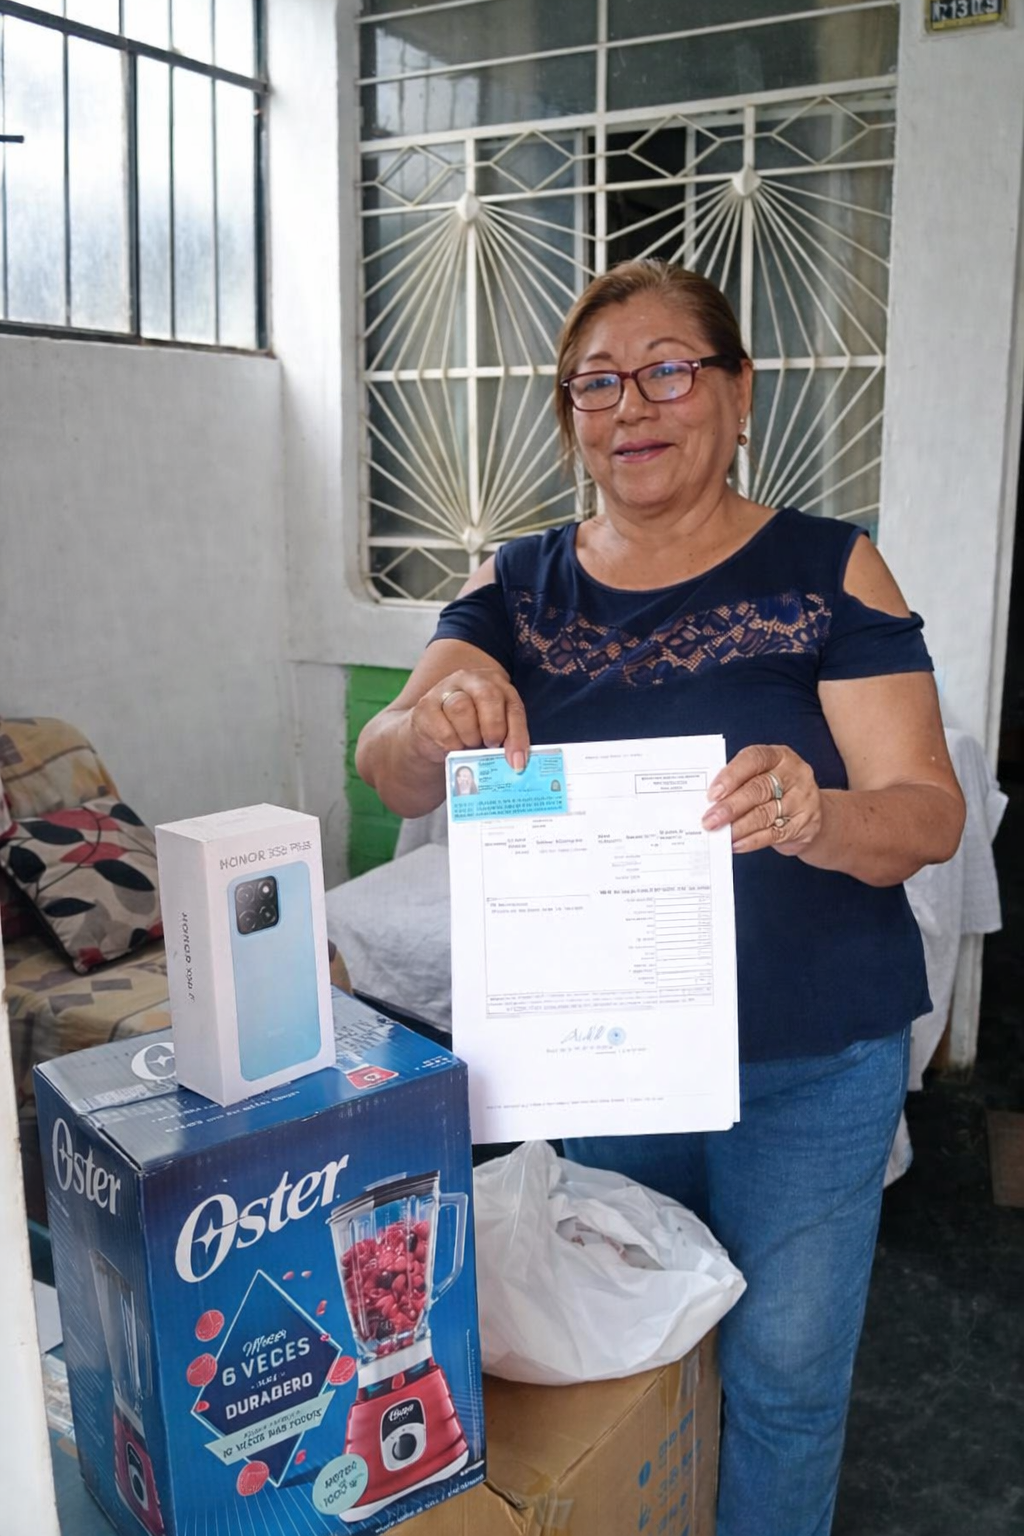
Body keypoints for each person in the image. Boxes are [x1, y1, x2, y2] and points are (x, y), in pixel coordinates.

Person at [355, 258, 965, 1536]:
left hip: (809, 1061)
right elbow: (388, 760)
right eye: (595, 382)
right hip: (607, 1064)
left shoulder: (828, 568)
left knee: (783, 1383)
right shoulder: (520, 584)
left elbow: (927, 811)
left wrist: (816, 810)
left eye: (669, 370)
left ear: (739, 394)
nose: (630, 404)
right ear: (570, 414)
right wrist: (430, 724)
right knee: (622, 1358)